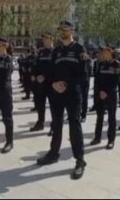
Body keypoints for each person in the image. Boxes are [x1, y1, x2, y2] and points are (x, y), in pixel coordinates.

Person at [37, 20, 87, 181]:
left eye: (66, 29)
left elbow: (84, 75)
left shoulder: (80, 50)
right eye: (61, 29)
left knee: (74, 124)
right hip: (56, 93)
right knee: (56, 123)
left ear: (72, 30)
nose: (63, 32)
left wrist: (67, 84)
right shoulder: (56, 51)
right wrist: (53, 83)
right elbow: (50, 71)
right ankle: (53, 153)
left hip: (73, 93)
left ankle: (80, 160)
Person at [91, 46, 120, 149]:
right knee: (99, 117)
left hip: (111, 94)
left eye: (105, 51)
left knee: (111, 118)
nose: (102, 53)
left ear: (110, 52)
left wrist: (106, 92)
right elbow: (97, 80)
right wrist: (99, 92)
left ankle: (111, 140)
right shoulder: (100, 64)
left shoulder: (116, 64)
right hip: (100, 94)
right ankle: (97, 137)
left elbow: (116, 81)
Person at [30, 32, 55, 133]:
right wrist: (35, 75)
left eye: (46, 38)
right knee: (40, 104)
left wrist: (45, 76)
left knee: (54, 106)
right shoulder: (40, 52)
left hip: (52, 83)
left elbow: (56, 68)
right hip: (41, 84)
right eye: (43, 38)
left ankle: (54, 126)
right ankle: (40, 123)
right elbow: (35, 65)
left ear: (51, 39)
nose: (44, 40)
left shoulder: (56, 52)